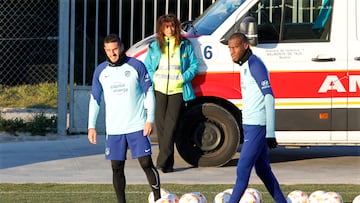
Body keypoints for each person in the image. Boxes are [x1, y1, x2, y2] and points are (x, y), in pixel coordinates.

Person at [87, 33, 161, 203]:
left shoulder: (136, 66)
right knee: (116, 168)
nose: (112, 53)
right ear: (105, 50)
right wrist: (91, 126)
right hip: (114, 129)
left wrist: (149, 119)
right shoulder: (100, 71)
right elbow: (95, 100)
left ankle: (158, 199)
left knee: (145, 163)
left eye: (115, 49)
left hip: (137, 125)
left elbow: (149, 92)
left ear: (121, 47)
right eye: (108, 50)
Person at [227, 32, 287, 203]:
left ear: (245, 45)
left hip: (257, 126)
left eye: (235, 47)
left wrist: (270, 133)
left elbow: (269, 96)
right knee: (263, 170)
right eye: (230, 48)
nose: (232, 52)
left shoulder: (255, 64)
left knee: (243, 169)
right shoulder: (245, 65)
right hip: (250, 125)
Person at [144, 13, 198, 173]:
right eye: (166, 26)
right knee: (161, 127)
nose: (170, 29)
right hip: (159, 90)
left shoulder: (185, 45)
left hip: (178, 90)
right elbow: (147, 66)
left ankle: (161, 161)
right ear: (161, 28)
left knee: (170, 126)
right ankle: (168, 164)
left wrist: (183, 77)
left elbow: (194, 65)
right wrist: (154, 78)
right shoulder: (154, 46)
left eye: (172, 25)